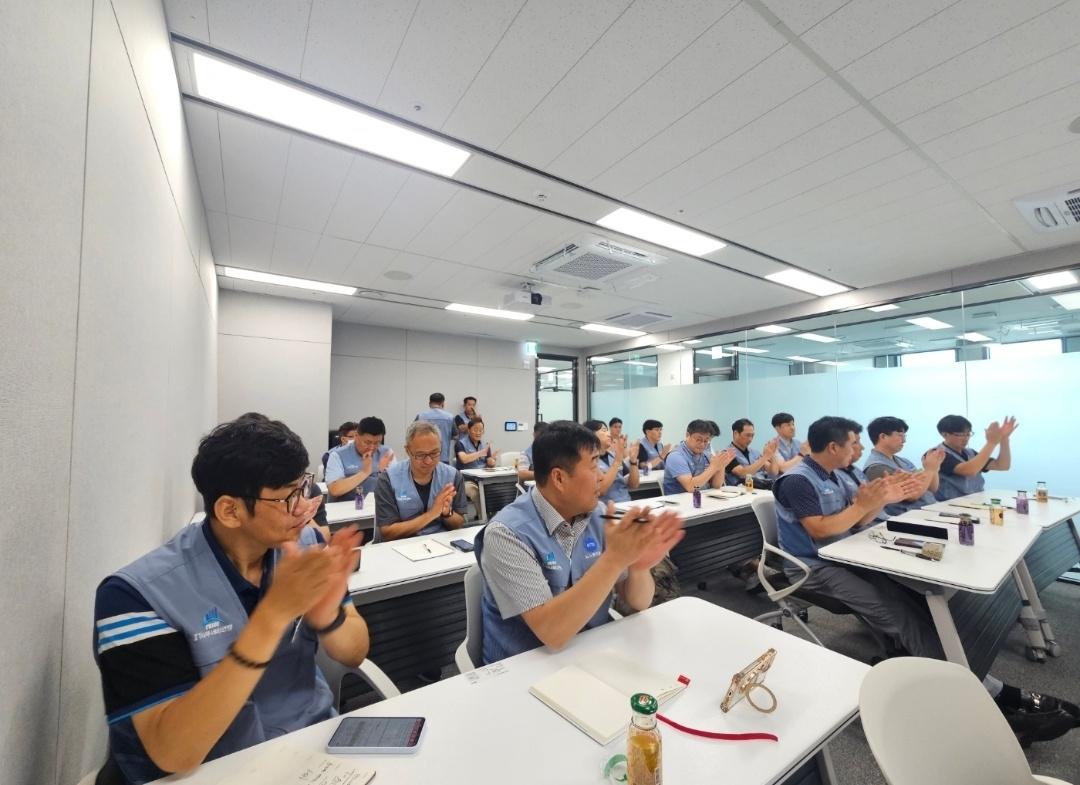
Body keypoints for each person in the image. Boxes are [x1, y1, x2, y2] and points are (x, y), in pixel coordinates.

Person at [92, 414, 369, 785]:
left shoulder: (304, 548)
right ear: (230, 510)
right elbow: (173, 752)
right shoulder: (134, 597)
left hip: (309, 754)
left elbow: (354, 652)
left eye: (302, 487)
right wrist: (273, 614)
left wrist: (327, 614)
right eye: (288, 497)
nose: (304, 507)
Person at [773, 416, 1078, 745]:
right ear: (834, 447)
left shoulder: (838, 474)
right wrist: (865, 504)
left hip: (848, 556)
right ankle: (988, 701)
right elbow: (820, 530)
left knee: (920, 601)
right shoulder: (798, 480)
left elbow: (857, 521)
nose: (856, 450)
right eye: (852, 444)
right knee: (898, 613)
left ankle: (976, 686)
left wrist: (876, 502)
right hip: (815, 568)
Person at [475, 420, 685, 664]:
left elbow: (639, 602)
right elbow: (552, 633)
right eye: (594, 465)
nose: (602, 476)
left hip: (590, 653)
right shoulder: (506, 534)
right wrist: (615, 559)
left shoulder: (599, 514)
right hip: (525, 666)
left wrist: (638, 566)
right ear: (559, 478)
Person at [373, 420, 468, 542]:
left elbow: (459, 524)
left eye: (434, 453)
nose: (428, 461)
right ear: (408, 451)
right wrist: (432, 514)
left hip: (441, 543)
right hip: (402, 545)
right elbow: (387, 533)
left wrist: (446, 512)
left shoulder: (453, 476)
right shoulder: (388, 479)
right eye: (420, 455)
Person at [863, 416, 944, 516]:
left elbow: (931, 488)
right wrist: (930, 470)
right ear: (883, 437)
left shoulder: (904, 461)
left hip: (927, 510)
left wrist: (935, 468)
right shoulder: (876, 467)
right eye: (900, 435)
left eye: (904, 436)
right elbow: (913, 496)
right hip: (905, 516)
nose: (904, 440)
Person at [935, 415, 1018, 501]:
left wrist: (1004, 439)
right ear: (944, 434)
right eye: (960, 435)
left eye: (968, 434)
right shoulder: (936, 454)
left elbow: (1002, 465)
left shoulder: (970, 452)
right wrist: (991, 442)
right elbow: (969, 470)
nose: (966, 439)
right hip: (950, 504)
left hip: (976, 500)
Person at [324, 416, 394, 502]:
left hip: (376, 506)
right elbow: (334, 489)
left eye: (377, 443)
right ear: (356, 436)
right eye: (367, 442)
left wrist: (382, 473)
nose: (372, 447)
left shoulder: (386, 453)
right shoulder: (337, 455)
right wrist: (365, 472)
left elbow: (397, 487)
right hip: (345, 508)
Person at [662, 419, 736, 495]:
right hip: (679, 500)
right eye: (698, 440)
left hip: (703, 497)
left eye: (706, 441)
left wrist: (721, 466)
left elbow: (716, 485)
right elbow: (691, 487)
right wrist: (713, 467)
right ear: (687, 435)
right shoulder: (676, 456)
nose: (702, 444)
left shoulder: (706, 454)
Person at [585, 420, 640, 504]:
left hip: (626, 503)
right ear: (591, 435)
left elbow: (634, 485)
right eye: (604, 430)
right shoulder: (589, 460)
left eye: (608, 430)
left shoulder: (613, 455)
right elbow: (600, 491)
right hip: (607, 507)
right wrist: (617, 461)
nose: (609, 434)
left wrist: (633, 461)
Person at [457, 417, 499, 519]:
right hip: (466, 481)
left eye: (481, 430)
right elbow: (464, 459)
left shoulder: (485, 445)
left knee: (496, 490)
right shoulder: (460, 443)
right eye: (475, 430)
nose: (478, 433)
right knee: (475, 492)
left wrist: (492, 461)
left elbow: (489, 463)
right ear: (469, 430)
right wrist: (481, 453)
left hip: (483, 479)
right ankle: (483, 519)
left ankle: (494, 516)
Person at [725, 418, 779, 486]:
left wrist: (772, 454)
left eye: (752, 435)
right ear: (736, 434)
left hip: (763, 486)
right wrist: (765, 457)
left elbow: (774, 472)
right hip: (743, 489)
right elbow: (743, 474)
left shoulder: (755, 452)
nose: (750, 439)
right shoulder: (727, 454)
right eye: (747, 435)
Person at [415, 392, 458, 463]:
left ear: (429, 403)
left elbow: (413, 434)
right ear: (443, 404)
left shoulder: (420, 416)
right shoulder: (450, 417)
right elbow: (455, 435)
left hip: (424, 456)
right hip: (443, 456)